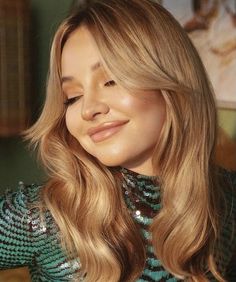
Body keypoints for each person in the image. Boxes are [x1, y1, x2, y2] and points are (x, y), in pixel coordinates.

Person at [0, 0, 235, 281]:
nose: (88, 109)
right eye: (71, 97)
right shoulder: (41, 216)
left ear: (170, 78)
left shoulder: (226, 201)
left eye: (111, 81)